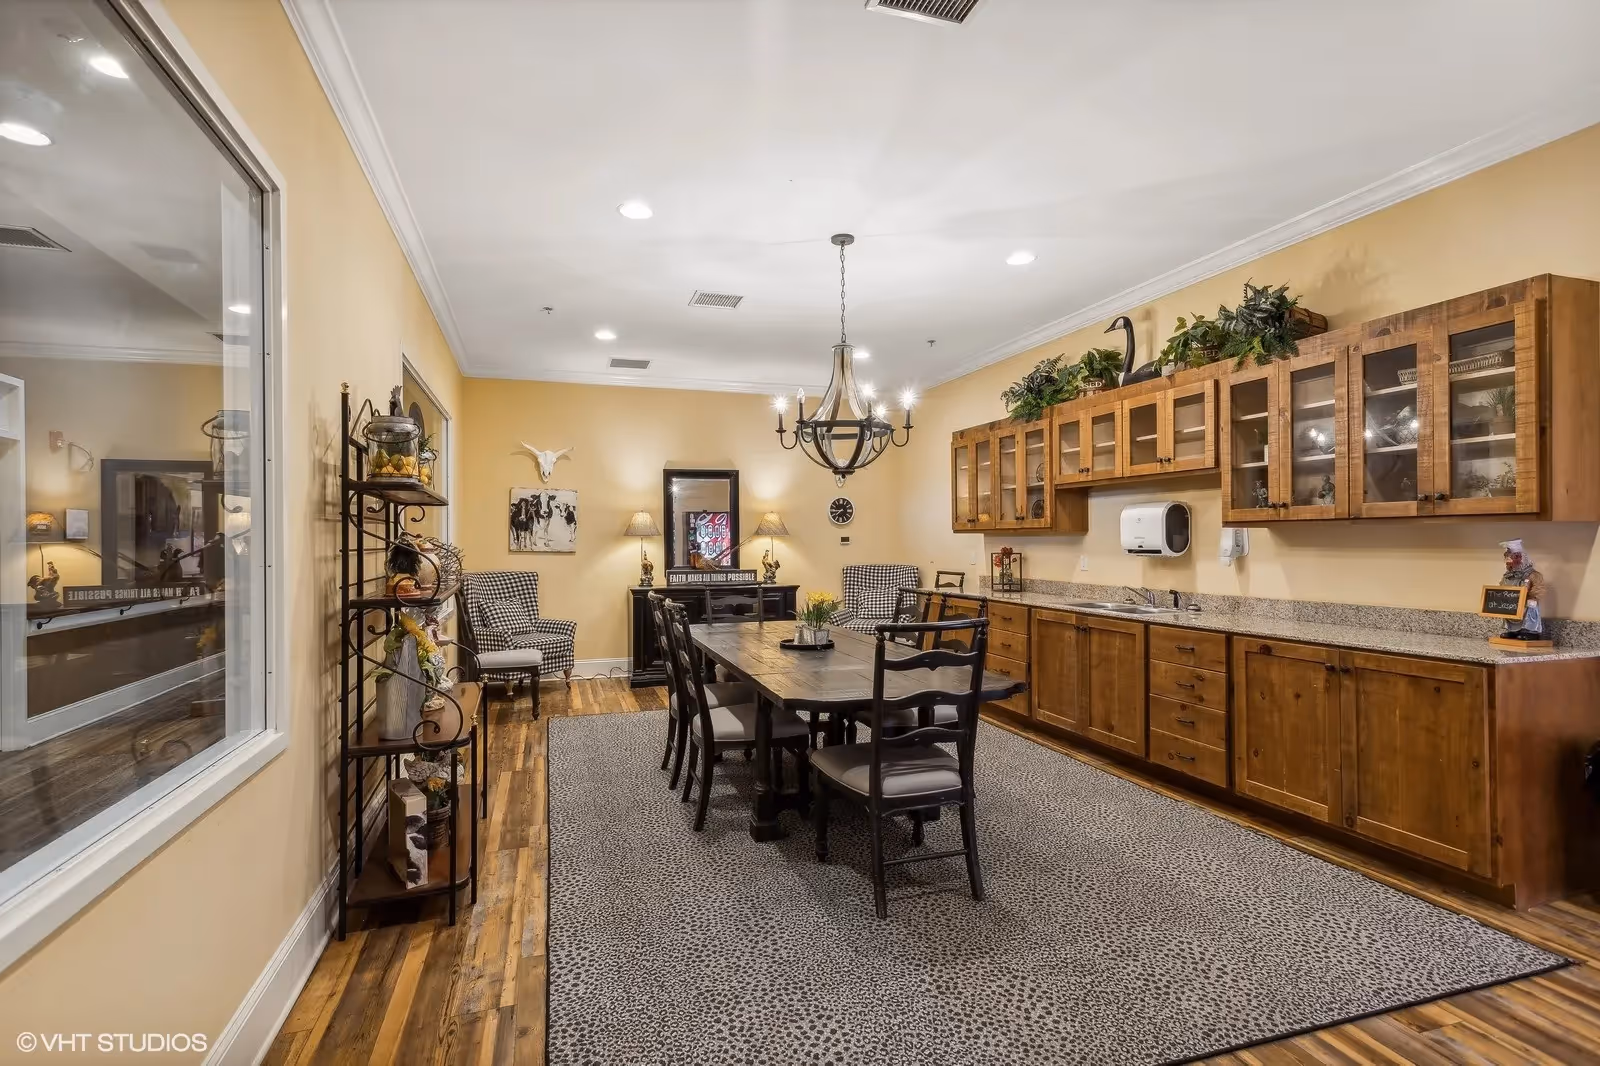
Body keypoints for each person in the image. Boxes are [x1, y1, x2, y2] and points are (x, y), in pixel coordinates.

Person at [1499, 538, 1547, 641]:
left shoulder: (1532, 574)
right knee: (1509, 611)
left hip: (1526, 602)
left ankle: (1530, 631)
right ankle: (1512, 630)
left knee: (1530, 610)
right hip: (1512, 603)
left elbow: (1539, 587)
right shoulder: (1508, 576)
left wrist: (1533, 597)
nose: (1515, 561)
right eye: (1512, 558)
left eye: (1517, 557)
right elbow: (1502, 586)